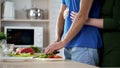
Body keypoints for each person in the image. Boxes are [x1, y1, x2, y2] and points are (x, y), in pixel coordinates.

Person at [44, 0, 102, 66]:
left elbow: (82, 16)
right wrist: (58, 39)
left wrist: (63, 42)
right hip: (68, 45)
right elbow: (61, 13)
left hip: (84, 45)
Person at [69, 0, 120, 67]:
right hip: (97, 43)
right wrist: (69, 12)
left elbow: (117, 23)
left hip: (113, 45)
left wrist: (85, 20)